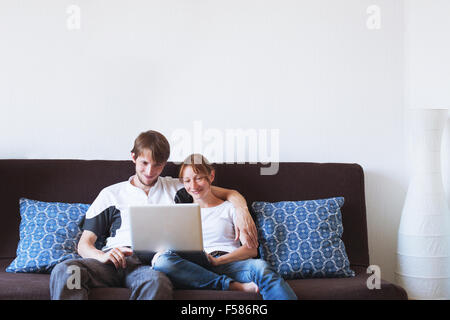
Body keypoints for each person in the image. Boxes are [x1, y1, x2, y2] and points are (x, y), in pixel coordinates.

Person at [49, 131, 258, 300]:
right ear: (133, 158)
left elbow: (227, 193)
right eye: (144, 163)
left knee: (157, 284)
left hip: (148, 267)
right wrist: (102, 256)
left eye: (157, 165)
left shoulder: (178, 187)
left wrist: (241, 210)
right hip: (111, 262)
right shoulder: (111, 194)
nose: (150, 171)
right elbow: (85, 244)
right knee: (67, 271)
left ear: (165, 163)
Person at [152, 154, 297, 300]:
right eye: (187, 181)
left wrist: (218, 261)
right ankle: (232, 286)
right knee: (161, 261)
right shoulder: (181, 211)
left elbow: (251, 249)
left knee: (261, 267)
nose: (193, 186)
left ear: (211, 176)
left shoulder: (230, 208)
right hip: (195, 266)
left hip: (229, 263)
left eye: (199, 178)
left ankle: (217, 281)